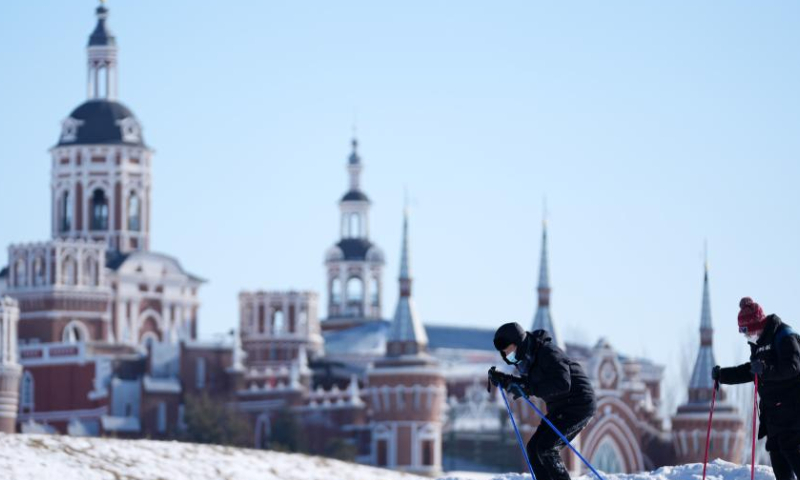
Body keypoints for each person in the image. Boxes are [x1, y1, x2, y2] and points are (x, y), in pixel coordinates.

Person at [488, 322, 596, 480]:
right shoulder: (527, 360)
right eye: (503, 353)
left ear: (518, 343)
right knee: (533, 448)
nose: (506, 356)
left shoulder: (547, 352)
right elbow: (528, 384)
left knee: (546, 448)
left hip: (579, 404)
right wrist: (505, 380)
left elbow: (563, 383)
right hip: (560, 408)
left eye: (507, 350)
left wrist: (528, 388)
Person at [713, 297, 800, 480]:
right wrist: (723, 375)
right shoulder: (758, 344)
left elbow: (793, 366)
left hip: (793, 411)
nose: (747, 336)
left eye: (747, 331)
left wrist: (765, 370)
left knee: (790, 447)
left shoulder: (784, 336)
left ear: (758, 324)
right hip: (774, 414)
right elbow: (751, 371)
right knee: (777, 454)